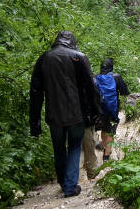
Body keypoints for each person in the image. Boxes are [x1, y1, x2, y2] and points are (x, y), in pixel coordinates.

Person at [30, 31, 101, 198]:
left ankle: (63, 182)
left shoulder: (44, 58)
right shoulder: (79, 57)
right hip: (76, 114)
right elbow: (92, 88)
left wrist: (34, 122)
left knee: (59, 148)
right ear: (72, 42)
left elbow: (35, 92)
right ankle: (69, 186)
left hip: (54, 115)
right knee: (75, 146)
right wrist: (96, 112)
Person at [93, 58, 130, 162]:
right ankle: (106, 156)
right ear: (111, 67)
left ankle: (105, 149)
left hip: (99, 109)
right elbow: (125, 92)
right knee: (110, 131)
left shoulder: (95, 77)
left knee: (104, 130)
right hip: (113, 109)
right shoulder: (116, 77)